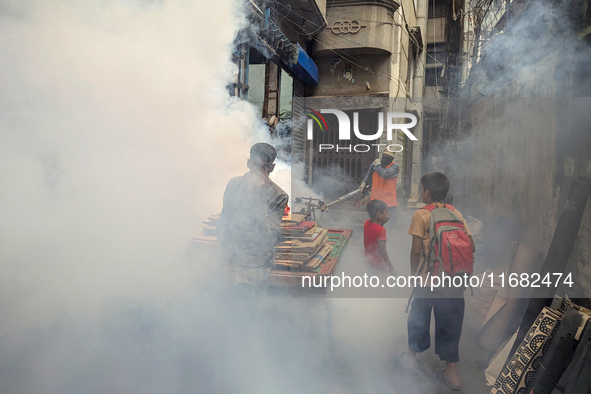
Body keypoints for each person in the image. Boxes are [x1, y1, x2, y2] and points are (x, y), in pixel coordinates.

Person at [406, 172, 475, 391]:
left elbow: (416, 252)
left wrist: (414, 276)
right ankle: (452, 374)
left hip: (428, 282)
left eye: (421, 189)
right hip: (454, 282)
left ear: (426, 192)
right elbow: (471, 246)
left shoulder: (421, 215)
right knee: (451, 326)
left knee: (418, 319)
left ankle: (410, 359)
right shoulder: (456, 212)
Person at [217, 142, 288, 288]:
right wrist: (226, 255)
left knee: (247, 303)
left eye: (264, 167)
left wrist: (260, 198)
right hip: (233, 256)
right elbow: (224, 223)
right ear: (248, 164)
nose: (258, 172)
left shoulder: (279, 196)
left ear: (272, 168)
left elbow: (268, 239)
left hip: (257, 263)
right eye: (255, 166)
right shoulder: (235, 184)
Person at [359, 150, 399, 223]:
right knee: (371, 224)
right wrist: (363, 182)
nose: (386, 158)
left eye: (389, 157)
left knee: (389, 225)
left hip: (389, 202)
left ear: (392, 158)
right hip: (375, 201)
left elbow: (384, 174)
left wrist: (377, 166)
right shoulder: (376, 164)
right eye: (385, 156)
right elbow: (369, 174)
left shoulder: (394, 167)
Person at [363, 199, 395, 276]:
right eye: (386, 212)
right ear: (379, 214)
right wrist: (390, 266)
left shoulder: (366, 222)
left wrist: (382, 223)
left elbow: (374, 232)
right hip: (378, 264)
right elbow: (382, 250)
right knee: (380, 283)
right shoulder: (382, 230)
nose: (387, 215)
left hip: (368, 260)